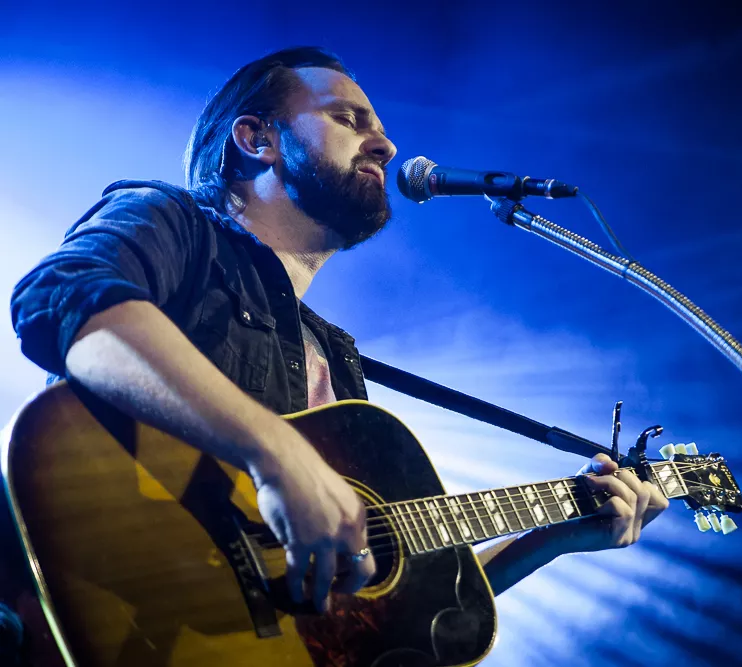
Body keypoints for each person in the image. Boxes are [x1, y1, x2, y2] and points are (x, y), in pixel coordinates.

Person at [5, 45, 668, 648]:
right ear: (256, 137)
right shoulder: (174, 222)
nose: (384, 143)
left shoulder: (336, 358)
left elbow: (380, 612)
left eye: (376, 125)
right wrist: (275, 452)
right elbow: (61, 299)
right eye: (349, 119)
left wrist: (552, 536)